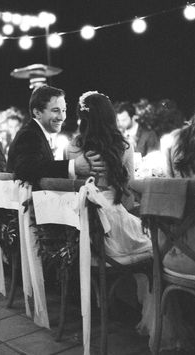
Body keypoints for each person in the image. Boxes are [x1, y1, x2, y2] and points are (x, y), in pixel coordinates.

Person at [65, 90, 152, 264]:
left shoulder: (71, 148)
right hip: (113, 231)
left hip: (80, 230)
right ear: (110, 117)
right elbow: (127, 195)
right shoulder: (124, 147)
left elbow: (69, 189)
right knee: (154, 242)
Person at [7, 86, 105, 188]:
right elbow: (26, 169)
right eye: (55, 110)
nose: (62, 117)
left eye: (63, 110)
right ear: (37, 113)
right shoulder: (29, 135)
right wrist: (73, 166)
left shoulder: (37, 133)